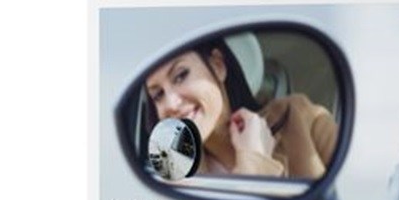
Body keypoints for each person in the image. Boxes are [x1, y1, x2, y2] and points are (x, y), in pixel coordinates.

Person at [142, 40, 337, 179]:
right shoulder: (174, 175)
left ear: (217, 65)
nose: (171, 104)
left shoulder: (302, 118)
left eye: (181, 75)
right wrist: (254, 163)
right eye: (158, 94)